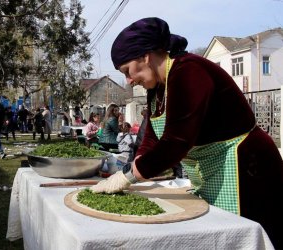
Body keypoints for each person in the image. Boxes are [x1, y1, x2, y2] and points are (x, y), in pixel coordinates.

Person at [90, 17, 283, 249]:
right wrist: (137, 164)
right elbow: (152, 138)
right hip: (211, 171)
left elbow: (176, 142)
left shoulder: (189, 70)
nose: (129, 81)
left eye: (127, 71)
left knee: (248, 235)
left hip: (246, 168)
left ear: (145, 56)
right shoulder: (158, 88)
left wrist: (126, 175)